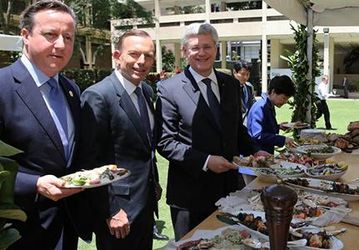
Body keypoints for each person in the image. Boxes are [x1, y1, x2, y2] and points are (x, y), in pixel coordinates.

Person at [155, 22, 268, 240]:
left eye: (207, 47)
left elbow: (236, 129)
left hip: (231, 191)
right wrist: (206, 161)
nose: (202, 53)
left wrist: (256, 150)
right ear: (184, 51)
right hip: (190, 196)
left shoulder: (231, 84)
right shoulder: (169, 89)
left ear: (216, 49)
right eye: (195, 47)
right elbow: (165, 142)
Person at [0, 1, 92, 249]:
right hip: (19, 230)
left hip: (66, 225)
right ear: (26, 36)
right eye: (51, 34)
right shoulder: (2, 86)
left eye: (68, 37)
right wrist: (34, 184)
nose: (61, 45)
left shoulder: (71, 89)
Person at [80, 30, 160, 249]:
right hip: (119, 211)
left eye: (149, 55)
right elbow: (90, 162)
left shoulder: (145, 90)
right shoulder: (98, 96)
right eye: (134, 54)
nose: (142, 62)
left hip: (145, 205)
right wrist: (111, 210)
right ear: (117, 56)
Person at [247, 75, 297, 154]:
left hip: (266, 152)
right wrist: (283, 139)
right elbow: (258, 135)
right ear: (273, 92)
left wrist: (278, 127)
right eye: (283, 98)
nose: (285, 102)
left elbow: (266, 127)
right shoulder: (260, 107)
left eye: (287, 99)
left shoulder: (269, 105)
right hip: (257, 153)